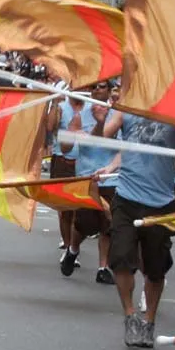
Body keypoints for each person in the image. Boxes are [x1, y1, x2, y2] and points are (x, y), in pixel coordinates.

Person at [103, 112, 175, 348]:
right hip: (126, 197)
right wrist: (102, 119)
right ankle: (130, 316)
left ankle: (149, 321)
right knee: (120, 259)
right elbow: (105, 135)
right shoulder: (129, 106)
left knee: (155, 268)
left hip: (161, 201)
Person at [59, 82, 119, 284]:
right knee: (84, 223)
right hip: (87, 176)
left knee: (108, 225)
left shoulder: (117, 115)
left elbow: (120, 145)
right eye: (93, 87)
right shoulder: (80, 115)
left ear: (109, 90)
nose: (97, 90)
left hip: (111, 177)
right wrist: (73, 135)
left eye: (101, 87)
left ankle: (103, 268)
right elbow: (65, 148)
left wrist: (114, 167)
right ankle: (73, 250)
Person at [47, 93, 83, 255]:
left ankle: (74, 246)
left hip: (84, 163)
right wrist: (54, 102)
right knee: (64, 208)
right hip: (62, 161)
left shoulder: (91, 107)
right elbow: (49, 127)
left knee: (78, 210)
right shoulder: (61, 107)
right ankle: (68, 247)